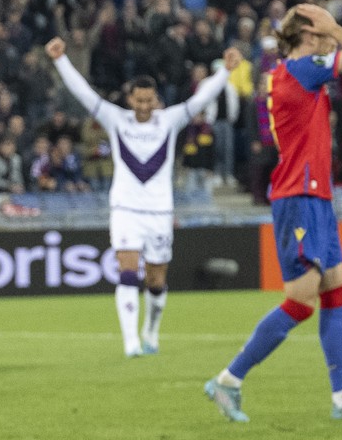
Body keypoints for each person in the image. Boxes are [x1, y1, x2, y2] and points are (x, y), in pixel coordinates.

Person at [204, 3, 342, 422]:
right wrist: (338, 27)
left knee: (336, 291)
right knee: (302, 300)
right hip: (300, 196)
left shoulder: (285, 74)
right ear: (310, 35)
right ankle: (228, 381)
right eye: (322, 29)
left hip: (315, 195)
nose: (330, 38)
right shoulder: (304, 69)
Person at [47, 37, 240, 357]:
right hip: (125, 208)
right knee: (127, 270)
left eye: (149, 100)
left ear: (157, 100)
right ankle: (130, 343)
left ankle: (150, 331)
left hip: (160, 211)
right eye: (139, 101)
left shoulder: (170, 120)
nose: (144, 106)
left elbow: (201, 97)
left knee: (155, 279)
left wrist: (225, 72)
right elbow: (83, 93)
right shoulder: (115, 119)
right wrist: (60, 60)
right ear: (130, 99)